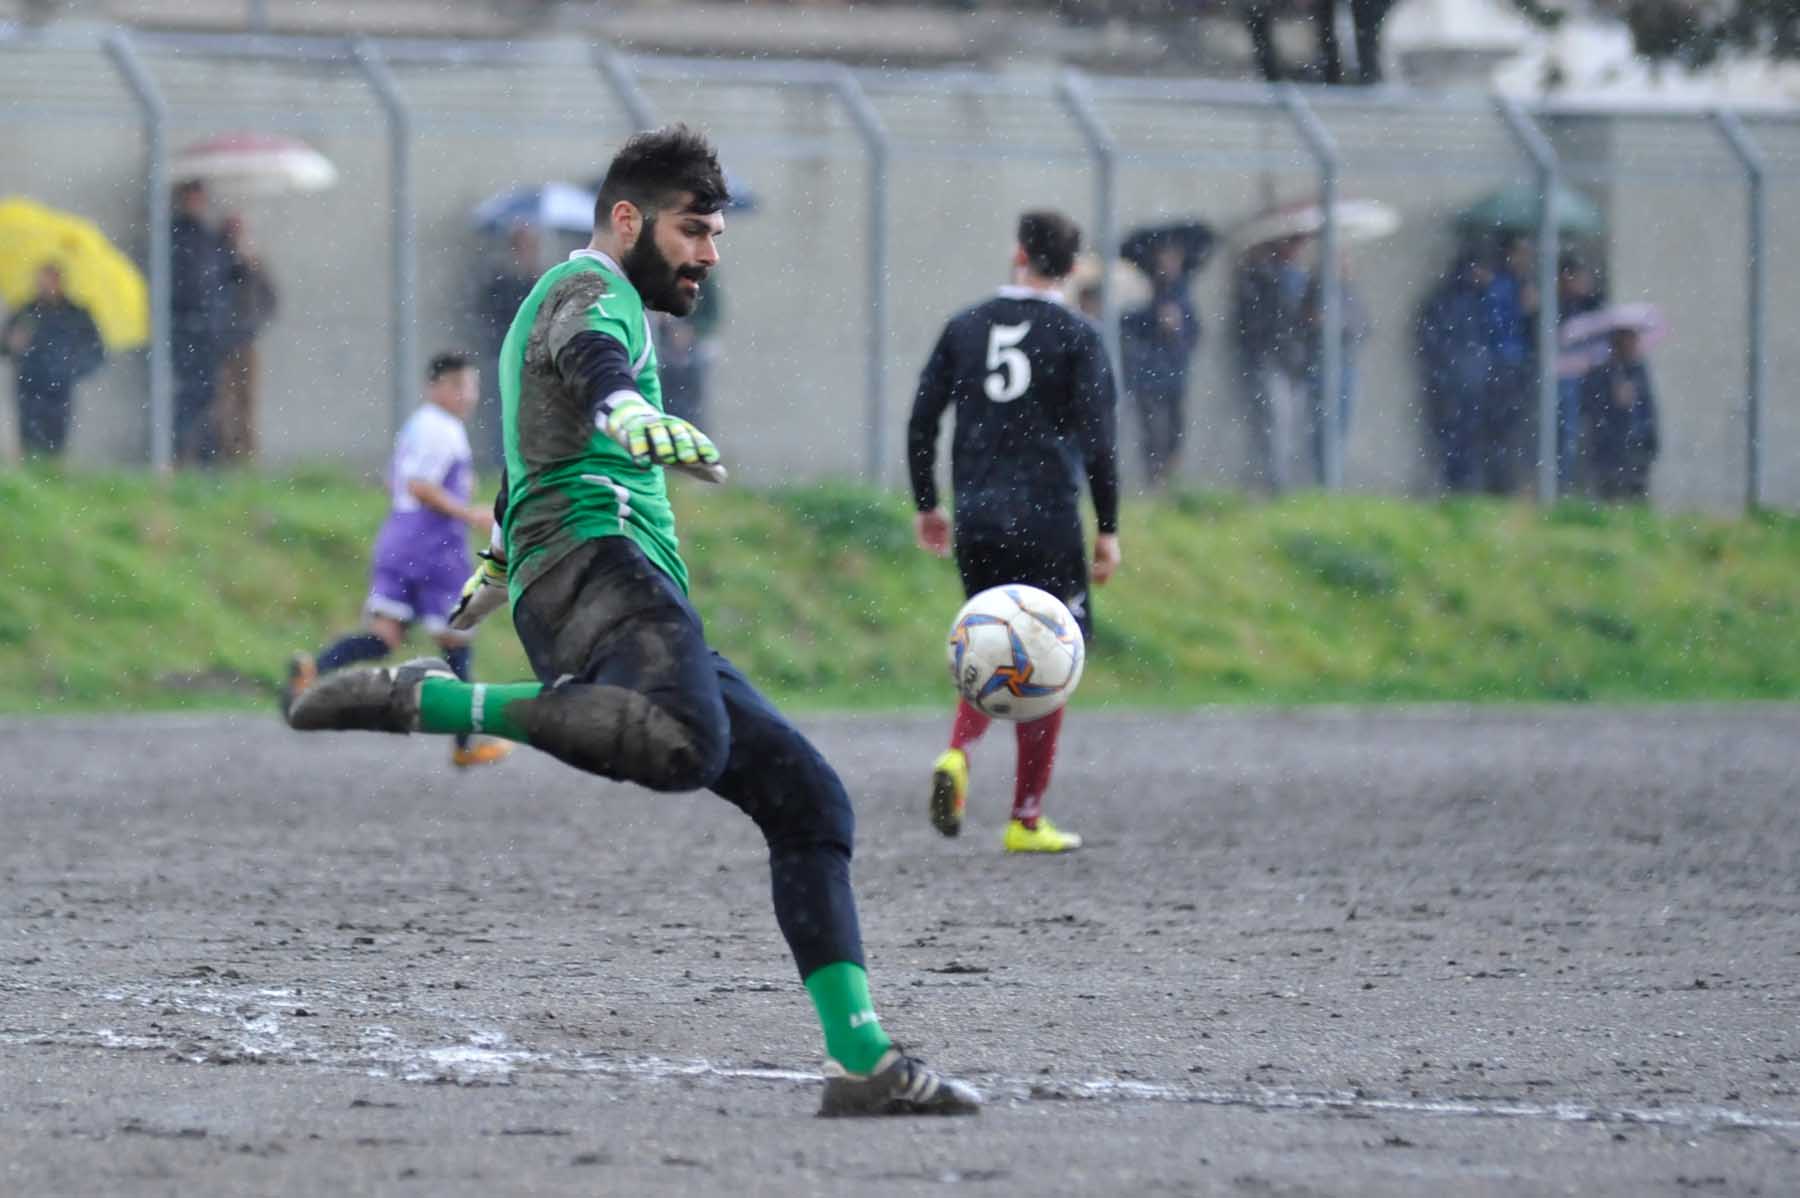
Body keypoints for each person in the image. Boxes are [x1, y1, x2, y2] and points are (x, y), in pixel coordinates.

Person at [284, 125, 979, 1118]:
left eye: (717, 235)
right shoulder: (588, 290)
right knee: (687, 743)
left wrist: (494, 565)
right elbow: (589, 358)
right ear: (625, 219)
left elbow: (534, 450)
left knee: (811, 801)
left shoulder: (594, 304)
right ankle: (433, 703)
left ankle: (861, 1060)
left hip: (605, 575)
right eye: (694, 230)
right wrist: (623, 410)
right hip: (598, 565)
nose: (708, 253)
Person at [906, 209, 1122, 856]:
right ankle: (1026, 818)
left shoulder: (965, 327)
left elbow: (922, 420)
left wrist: (928, 503)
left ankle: (959, 753)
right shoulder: (1078, 337)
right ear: (1071, 265)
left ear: (1018, 253)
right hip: (1049, 516)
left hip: (978, 515)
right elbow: (1101, 442)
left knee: (990, 640)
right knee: (1053, 652)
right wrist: (1109, 526)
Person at [281, 351, 511, 770]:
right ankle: (466, 741)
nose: (469, 396)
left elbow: (397, 481)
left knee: (384, 635)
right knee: (457, 639)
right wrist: (469, 513)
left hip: (399, 536)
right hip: (433, 546)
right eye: (459, 386)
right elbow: (421, 485)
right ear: (435, 387)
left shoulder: (417, 425)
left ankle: (313, 670)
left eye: (472, 386)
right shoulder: (443, 430)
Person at [1118, 221, 1211, 491]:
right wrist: (1153, 319)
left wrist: (1179, 326)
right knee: (1152, 431)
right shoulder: (1142, 288)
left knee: (1174, 430)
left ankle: (1170, 478)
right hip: (1147, 372)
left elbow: (1196, 331)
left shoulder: (1183, 293)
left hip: (1176, 372)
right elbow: (1127, 321)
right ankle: (1154, 479)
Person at [1232, 234, 1312, 494]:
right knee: (1276, 421)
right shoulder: (1260, 279)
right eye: (1292, 243)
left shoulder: (1305, 280)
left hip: (1296, 360)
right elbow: (1256, 323)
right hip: (1271, 359)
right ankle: (1276, 482)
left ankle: (1287, 480)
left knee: (1293, 423)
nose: (1297, 249)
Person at [1, 263, 103, 458]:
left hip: (60, 388)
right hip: (28, 386)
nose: (44, 286)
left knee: (56, 441)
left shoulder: (76, 314)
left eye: (48, 280)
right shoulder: (26, 311)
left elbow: (95, 351)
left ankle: (53, 473)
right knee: (28, 440)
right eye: (40, 280)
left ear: (59, 281)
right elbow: (5, 347)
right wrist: (11, 343)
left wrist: (71, 369)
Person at [1414, 249, 1494, 492]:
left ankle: (1462, 483)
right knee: (1456, 435)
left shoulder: (1476, 300)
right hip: (1455, 381)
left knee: (1465, 436)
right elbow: (1434, 338)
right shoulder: (1455, 301)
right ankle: (1458, 484)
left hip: (1467, 380)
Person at [170, 179, 231, 466]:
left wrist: (235, 241)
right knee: (189, 393)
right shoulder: (174, 237)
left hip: (209, 329)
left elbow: (229, 278)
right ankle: (182, 453)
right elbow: (186, 285)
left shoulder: (211, 237)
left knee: (208, 394)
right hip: (185, 328)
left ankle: (206, 457)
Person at [472, 221, 541, 468]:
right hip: (501, 354)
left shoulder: (538, 279)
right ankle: (500, 461)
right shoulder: (500, 280)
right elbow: (489, 313)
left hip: (532, 358)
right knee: (501, 410)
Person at [212, 213, 279, 463]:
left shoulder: (253, 263)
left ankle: (246, 455)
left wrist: (251, 267)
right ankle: (225, 453)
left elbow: (269, 299)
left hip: (245, 340)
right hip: (221, 343)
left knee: (247, 401)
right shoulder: (217, 261)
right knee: (223, 401)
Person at [1582, 327, 1659, 502]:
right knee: (1609, 493)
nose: (1632, 345)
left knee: (1637, 495)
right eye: (1627, 340)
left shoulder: (1639, 370)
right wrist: (1612, 398)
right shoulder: (1601, 372)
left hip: (1637, 445)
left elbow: (1648, 408)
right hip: (1610, 448)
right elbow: (1591, 407)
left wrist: (1651, 441)